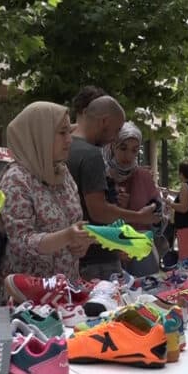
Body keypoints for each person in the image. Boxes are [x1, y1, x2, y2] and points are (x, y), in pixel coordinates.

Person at [0, 101, 94, 301]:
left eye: (70, 132)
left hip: (66, 294)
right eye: (62, 133)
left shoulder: (62, 173)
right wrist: (66, 236)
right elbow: (21, 242)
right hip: (28, 302)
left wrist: (82, 244)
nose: (69, 140)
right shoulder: (17, 178)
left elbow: (72, 224)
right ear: (39, 135)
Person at [67, 93, 160, 281]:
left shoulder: (65, 148)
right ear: (104, 121)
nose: (114, 137)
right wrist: (139, 216)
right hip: (96, 260)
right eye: (116, 130)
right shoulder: (92, 155)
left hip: (79, 255)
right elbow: (99, 211)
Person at [103, 121, 162, 275]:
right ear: (112, 146)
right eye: (123, 148)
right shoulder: (101, 176)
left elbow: (158, 220)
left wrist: (154, 215)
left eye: (134, 150)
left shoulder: (143, 177)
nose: (128, 156)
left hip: (141, 254)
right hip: (107, 255)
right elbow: (95, 217)